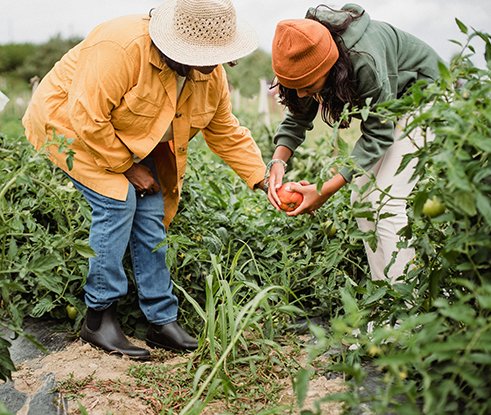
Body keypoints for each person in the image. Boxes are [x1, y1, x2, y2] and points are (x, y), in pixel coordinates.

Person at [22, 0, 266, 360]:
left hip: (128, 135)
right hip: (69, 127)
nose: (212, 65)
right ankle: (99, 317)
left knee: (151, 209)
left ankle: (161, 320)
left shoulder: (209, 74)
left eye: (218, 56)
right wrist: (128, 167)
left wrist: (262, 179)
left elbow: (225, 130)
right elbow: (87, 118)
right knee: (117, 200)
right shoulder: (121, 48)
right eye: (204, 56)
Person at [266, 4, 441, 282]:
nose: (301, 94)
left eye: (308, 86)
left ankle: (405, 302)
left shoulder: (363, 61)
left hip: (428, 98)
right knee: (360, 198)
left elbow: (378, 133)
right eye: (295, 86)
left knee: (386, 201)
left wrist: (323, 190)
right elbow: (298, 116)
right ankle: (384, 293)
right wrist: (278, 161)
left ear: (330, 69)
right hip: (395, 106)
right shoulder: (306, 52)